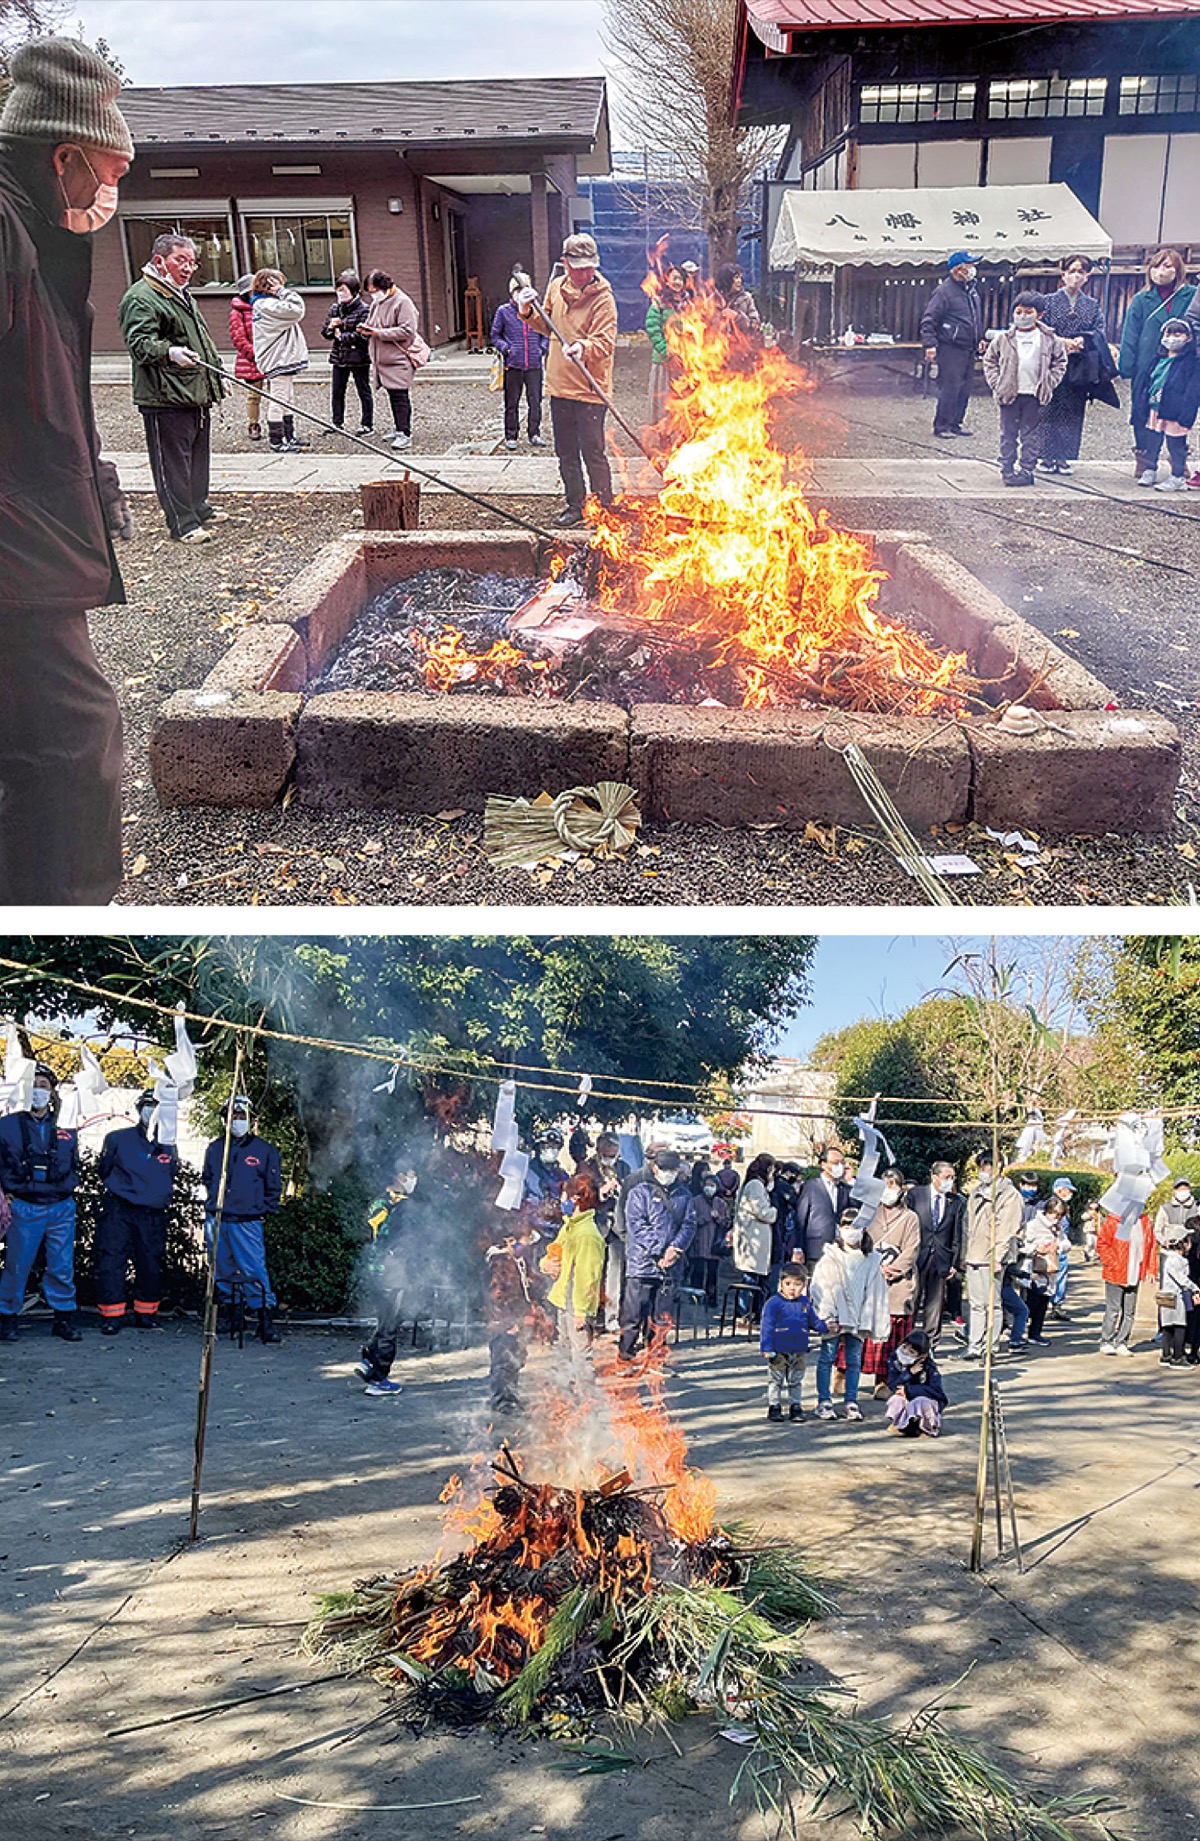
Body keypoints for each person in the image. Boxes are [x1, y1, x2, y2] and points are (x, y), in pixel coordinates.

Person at [0, 36, 134, 905]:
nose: (108, 195)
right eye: (107, 172)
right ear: (65, 157)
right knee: (76, 744)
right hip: (14, 560)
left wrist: (88, 475)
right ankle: (60, 920)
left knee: (35, 752)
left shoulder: (32, 233)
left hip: (31, 541)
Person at [118, 230, 228, 542]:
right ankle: (182, 523)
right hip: (164, 394)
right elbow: (140, 344)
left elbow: (201, 339)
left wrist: (216, 374)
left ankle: (198, 506)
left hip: (194, 390)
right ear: (159, 261)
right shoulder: (142, 297)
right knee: (173, 462)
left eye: (193, 262)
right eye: (181, 260)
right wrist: (169, 352)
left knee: (196, 456)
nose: (189, 268)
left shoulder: (180, 292)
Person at [525, 232, 617, 528]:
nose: (585, 273)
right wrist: (526, 309)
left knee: (594, 452)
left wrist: (582, 347)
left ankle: (604, 506)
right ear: (565, 264)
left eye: (590, 267)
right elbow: (545, 326)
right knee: (566, 452)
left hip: (590, 388)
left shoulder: (604, 298)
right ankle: (575, 505)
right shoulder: (555, 288)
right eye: (578, 267)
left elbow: (605, 342)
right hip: (560, 386)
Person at [0, 1065, 82, 1342]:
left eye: (44, 1085)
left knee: (62, 1265)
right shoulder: (8, 1125)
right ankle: (8, 1318)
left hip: (61, 1205)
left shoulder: (66, 1125)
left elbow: (74, 1163)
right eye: (33, 1084)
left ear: (52, 1091)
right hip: (24, 1205)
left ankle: (64, 1318)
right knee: (17, 1264)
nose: (38, 1090)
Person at [94, 1089, 178, 1334]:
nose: (153, 1110)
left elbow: (171, 1174)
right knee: (112, 1260)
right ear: (139, 1109)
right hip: (120, 1209)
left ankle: (146, 1313)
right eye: (149, 1105)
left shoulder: (168, 1144)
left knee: (150, 1262)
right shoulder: (117, 1139)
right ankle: (112, 1316)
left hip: (152, 1214)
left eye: (158, 1105)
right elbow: (104, 1169)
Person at [201, 1096, 283, 1344]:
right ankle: (234, 1315)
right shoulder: (215, 1148)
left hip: (247, 1220)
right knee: (221, 1268)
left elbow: (273, 1186)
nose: (236, 1120)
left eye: (241, 1116)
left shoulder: (264, 1150)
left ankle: (264, 1319)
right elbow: (208, 1178)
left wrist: (260, 1208)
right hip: (218, 1218)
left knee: (254, 1269)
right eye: (232, 1116)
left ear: (250, 1119)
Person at [1119, 248, 1197, 485]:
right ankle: (1145, 459)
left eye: (1167, 266)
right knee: (1144, 411)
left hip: (1180, 364)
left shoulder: (1191, 295)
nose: (1161, 271)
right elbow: (1129, 334)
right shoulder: (1142, 299)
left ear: (1178, 270)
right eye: (1156, 266)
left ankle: (1179, 460)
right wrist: (1127, 365)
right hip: (1147, 362)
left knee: (1177, 412)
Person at [810, 1209, 890, 1423]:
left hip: (858, 1318)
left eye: (855, 1227)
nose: (851, 1231)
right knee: (827, 1358)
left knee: (854, 1360)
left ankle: (851, 1401)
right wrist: (827, 1317)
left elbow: (876, 1292)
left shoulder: (871, 1259)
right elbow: (821, 1288)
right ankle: (824, 1401)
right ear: (839, 1229)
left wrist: (871, 1320)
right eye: (846, 1226)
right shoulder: (830, 1257)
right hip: (835, 1318)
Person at [982, 292, 1068, 487]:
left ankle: (1027, 469)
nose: (1022, 316)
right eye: (1018, 311)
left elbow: (1060, 361)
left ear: (1040, 315)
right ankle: (1007, 468)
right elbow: (990, 360)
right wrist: (997, 383)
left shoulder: (1048, 338)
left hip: (1035, 395)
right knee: (1008, 433)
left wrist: (1050, 382)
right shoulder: (1004, 338)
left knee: (1031, 434)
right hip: (1009, 395)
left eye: (1028, 312)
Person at [619, 1147, 695, 1360]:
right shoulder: (640, 1192)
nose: (669, 1173)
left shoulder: (684, 1195)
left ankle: (654, 1354)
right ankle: (625, 1355)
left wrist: (676, 1249)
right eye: (665, 1169)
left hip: (671, 1267)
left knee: (661, 1317)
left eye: (673, 1170)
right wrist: (659, 1251)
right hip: (641, 1265)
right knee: (634, 1315)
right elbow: (636, 1226)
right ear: (655, 1168)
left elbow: (689, 1225)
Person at [1037, 255, 1111, 474]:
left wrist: (1083, 341)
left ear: (1087, 277)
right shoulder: (1048, 301)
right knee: (1049, 408)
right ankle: (1046, 457)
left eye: (1081, 272)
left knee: (1073, 409)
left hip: (1079, 363)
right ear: (1063, 275)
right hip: (1052, 361)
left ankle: (1065, 458)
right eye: (1072, 271)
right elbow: (1040, 327)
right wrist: (1061, 341)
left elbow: (1099, 331)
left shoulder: (1092, 304)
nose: (1076, 276)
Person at [353, 1160, 419, 1396]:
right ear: (401, 1177)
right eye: (412, 1174)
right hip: (392, 1272)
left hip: (376, 1269)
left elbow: (367, 1235)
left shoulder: (379, 1202)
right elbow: (395, 1239)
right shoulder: (400, 1207)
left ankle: (369, 1360)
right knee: (390, 1325)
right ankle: (378, 1380)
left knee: (386, 1320)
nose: (414, 1178)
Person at [860, 1169, 920, 1398]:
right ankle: (844, 1373)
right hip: (870, 1279)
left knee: (893, 1334)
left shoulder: (910, 1217)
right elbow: (861, 1241)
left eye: (893, 1186)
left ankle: (884, 1380)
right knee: (862, 1331)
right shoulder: (869, 1213)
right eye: (885, 1186)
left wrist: (892, 1270)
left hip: (897, 1283)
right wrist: (872, 1267)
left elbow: (912, 1250)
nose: (888, 1191)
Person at [963, 1153, 1023, 1360]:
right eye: (982, 1166)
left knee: (993, 1303)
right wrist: (965, 1253)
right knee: (976, 1303)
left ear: (999, 1167)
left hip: (993, 1256)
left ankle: (991, 1346)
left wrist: (998, 1255)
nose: (985, 1170)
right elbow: (967, 1224)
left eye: (989, 1166)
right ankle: (974, 1344)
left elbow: (1008, 1227)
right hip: (974, 1254)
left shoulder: (1009, 1194)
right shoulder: (976, 1192)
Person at [919, 250, 984, 439]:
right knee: (950, 387)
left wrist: (978, 337)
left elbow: (974, 318)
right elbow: (929, 319)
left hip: (968, 347)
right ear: (959, 269)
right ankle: (942, 426)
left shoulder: (971, 291)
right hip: (950, 347)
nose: (973, 269)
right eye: (970, 265)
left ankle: (956, 423)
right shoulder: (944, 292)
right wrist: (930, 344)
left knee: (965, 388)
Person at [542, 1171, 606, 1354]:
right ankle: (566, 1383)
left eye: (566, 1195)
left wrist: (581, 1311)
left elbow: (588, 1276)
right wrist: (546, 1264)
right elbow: (554, 1250)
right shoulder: (570, 1226)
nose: (563, 1201)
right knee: (564, 1352)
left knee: (580, 1355)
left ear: (576, 1198)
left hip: (576, 1305)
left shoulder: (587, 1234)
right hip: (563, 1300)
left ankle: (584, 1384)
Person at [249, 267, 309, 454]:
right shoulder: (267, 305)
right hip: (278, 359)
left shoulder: (263, 305)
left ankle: (288, 436)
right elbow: (297, 310)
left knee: (286, 398)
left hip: (280, 358)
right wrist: (283, 292)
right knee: (279, 399)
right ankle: (277, 440)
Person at [362, 267, 422, 451]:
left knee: (400, 395)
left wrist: (379, 333)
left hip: (399, 358)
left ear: (385, 287)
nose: (373, 296)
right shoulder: (377, 303)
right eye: (370, 292)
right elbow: (372, 322)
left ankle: (405, 432)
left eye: (375, 291)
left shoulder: (403, 302)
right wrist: (366, 330)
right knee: (392, 394)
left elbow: (408, 330)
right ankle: (398, 428)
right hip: (383, 359)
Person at [759, 1261, 826, 1423]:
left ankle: (795, 1406)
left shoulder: (804, 1303)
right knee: (776, 1380)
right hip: (778, 1349)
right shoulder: (774, 1303)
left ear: (804, 1285)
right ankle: (774, 1406)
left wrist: (825, 1327)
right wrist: (766, 1347)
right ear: (780, 1283)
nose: (792, 1288)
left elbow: (813, 1321)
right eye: (788, 1283)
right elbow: (766, 1326)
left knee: (796, 1380)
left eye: (797, 1284)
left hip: (799, 1349)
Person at [1141, 317, 1200, 494]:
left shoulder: (1191, 363)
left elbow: (1193, 391)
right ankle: (1150, 469)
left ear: (1188, 337)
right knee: (1152, 440)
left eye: (1177, 333)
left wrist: (1187, 415)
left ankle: (1177, 476)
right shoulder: (1157, 359)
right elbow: (1148, 382)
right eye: (1168, 333)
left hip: (1175, 411)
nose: (1172, 337)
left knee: (1176, 444)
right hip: (1155, 408)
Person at [490, 272, 548, 451]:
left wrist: (542, 349)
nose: (520, 292)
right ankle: (511, 434)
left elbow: (546, 332)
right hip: (513, 364)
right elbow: (495, 335)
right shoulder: (503, 311)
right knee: (511, 402)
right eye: (517, 289)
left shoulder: (537, 310)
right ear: (511, 292)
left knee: (535, 400)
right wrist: (507, 349)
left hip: (534, 364)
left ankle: (534, 433)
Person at [907, 1160, 963, 1345]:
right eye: (947, 1177)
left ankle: (930, 1343)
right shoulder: (916, 1195)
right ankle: (906, 1340)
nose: (950, 1181)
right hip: (917, 1255)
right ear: (934, 1177)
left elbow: (956, 1234)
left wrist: (955, 1262)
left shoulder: (955, 1201)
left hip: (941, 1258)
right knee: (912, 1300)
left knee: (935, 1304)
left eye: (953, 1177)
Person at [580, 1131, 629, 1333]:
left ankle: (612, 1317)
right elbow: (581, 1194)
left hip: (617, 1226)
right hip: (595, 1224)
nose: (610, 1158)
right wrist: (601, 1192)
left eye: (614, 1154)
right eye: (607, 1154)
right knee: (592, 1272)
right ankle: (589, 1315)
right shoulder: (588, 1167)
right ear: (599, 1150)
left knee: (615, 1274)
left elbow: (632, 1192)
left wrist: (621, 1187)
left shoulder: (624, 1167)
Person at [1096, 1206, 1155, 1356]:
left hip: (1135, 1271)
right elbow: (1102, 1244)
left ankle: (1122, 1341)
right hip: (1115, 1272)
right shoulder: (1114, 1221)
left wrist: (1151, 1268)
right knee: (1113, 1309)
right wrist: (1112, 1263)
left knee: (1129, 1311)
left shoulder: (1145, 1221)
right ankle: (1106, 1341)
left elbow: (1152, 1245)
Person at [321, 269, 373, 437]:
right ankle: (337, 423)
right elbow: (326, 333)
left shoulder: (364, 309)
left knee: (363, 390)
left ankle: (367, 424)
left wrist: (341, 334)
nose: (340, 294)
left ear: (354, 291)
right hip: (339, 356)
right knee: (337, 391)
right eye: (338, 290)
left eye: (344, 290)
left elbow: (362, 335)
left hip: (359, 357)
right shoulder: (335, 308)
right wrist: (331, 327)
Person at [791, 1144, 851, 1267]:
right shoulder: (810, 1187)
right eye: (835, 1163)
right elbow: (800, 1219)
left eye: (841, 1163)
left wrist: (849, 1180)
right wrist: (798, 1247)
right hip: (816, 1248)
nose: (839, 1166)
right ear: (823, 1165)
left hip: (841, 1248)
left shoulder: (845, 1189)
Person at [732, 1151, 776, 1315]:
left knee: (752, 1277)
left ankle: (745, 1312)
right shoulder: (756, 1185)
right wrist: (774, 1212)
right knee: (749, 1278)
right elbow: (762, 1211)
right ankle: (742, 1312)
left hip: (752, 1236)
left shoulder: (752, 1183)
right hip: (753, 1237)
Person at [1021, 1196, 1067, 1345]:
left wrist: (1058, 1246)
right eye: (1056, 1215)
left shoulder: (1057, 1229)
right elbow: (1021, 1245)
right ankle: (1019, 1332)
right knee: (1031, 1302)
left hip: (1050, 1270)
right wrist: (1036, 1248)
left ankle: (1035, 1333)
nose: (1058, 1218)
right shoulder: (1033, 1225)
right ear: (1048, 1211)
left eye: (1060, 1216)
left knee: (1043, 1303)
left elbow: (1067, 1244)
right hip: (1034, 1269)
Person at [885, 1329, 947, 1439]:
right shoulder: (895, 1359)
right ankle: (902, 1426)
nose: (906, 1352)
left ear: (922, 1356)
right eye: (905, 1347)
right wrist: (908, 1373)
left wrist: (909, 1390)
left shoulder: (929, 1368)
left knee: (921, 1402)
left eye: (912, 1352)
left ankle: (927, 1428)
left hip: (924, 1401)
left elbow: (937, 1393)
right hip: (907, 1398)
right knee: (896, 1400)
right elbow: (893, 1384)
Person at [645, 264, 687, 424]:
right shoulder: (659, 304)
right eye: (674, 278)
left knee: (682, 399)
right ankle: (662, 434)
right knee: (664, 400)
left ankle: (680, 434)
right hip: (664, 361)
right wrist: (667, 353)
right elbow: (653, 330)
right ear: (667, 281)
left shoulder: (687, 304)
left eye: (681, 279)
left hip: (684, 361)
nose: (677, 282)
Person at [229, 275, 266, 442]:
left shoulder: (265, 306)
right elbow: (238, 337)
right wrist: (253, 354)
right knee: (254, 395)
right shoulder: (238, 312)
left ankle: (279, 425)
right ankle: (253, 424)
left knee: (279, 392)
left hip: (270, 355)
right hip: (252, 358)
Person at [1158, 1222, 1194, 1366]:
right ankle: (1177, 1356)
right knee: (1179, 1326)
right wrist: (1195, 1288)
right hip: (1175, 1296)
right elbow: (1182, 1278)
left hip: (1165, 1295)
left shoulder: (1167, 1257)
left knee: (1167, 1326)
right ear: (1182, 1243)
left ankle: (1166, 1355)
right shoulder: (1176, 1260)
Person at [1048, 1176, 1076, 1317]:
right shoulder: (1052, 1206)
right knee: (1053, 1276)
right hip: (1051, 1246)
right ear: (1060, 1190)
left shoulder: (1064, 1206)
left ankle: (1057, 1304)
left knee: (1060, 1276)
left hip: (1061, 1246)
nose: (1070, 1193)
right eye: (1068, 1190)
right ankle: (1054, 1304)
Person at [714, 262, 761, 340]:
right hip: (716, 348)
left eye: (740, 277)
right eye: (736, 277)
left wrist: (737, 317)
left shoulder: (746, 299)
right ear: (726, 279)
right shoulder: (712, 301)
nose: (739, 281)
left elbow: (755, 327)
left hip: (741, 348)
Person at [524, 1128, 569, 1209]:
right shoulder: (529, 1172)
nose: (551, 1149)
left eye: (555, 1145)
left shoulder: (562, 1175)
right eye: (547, 1145)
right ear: (538, 1147)